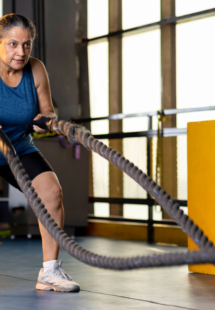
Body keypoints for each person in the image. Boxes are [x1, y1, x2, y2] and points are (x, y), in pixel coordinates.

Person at [0, 13, 79, 292]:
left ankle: (50, 272)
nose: (20, 52)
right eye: (12, 44)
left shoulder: (35, 69)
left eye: (26, 45)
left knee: (51, 192)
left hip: (18, 147)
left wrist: (52, 124)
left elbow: (46, 112)